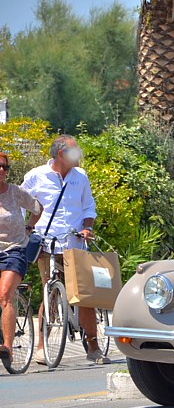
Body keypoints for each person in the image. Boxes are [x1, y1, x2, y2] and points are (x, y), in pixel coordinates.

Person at [22, 135, 109, 364]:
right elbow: (22, 204)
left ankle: (93, 347)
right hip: (47, 243)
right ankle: (42, 347)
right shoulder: (36, 176)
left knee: (84, 296)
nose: (78, 154)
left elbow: (89, 207)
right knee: (49, 293)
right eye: (74, 151)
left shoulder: (80, 176)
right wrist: (25, 230)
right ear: (60, 154)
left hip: (75, 243)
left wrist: (87, 228)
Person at [0, 152, 43, 360]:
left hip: (14, 249)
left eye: (5, 167)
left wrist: (28, 227)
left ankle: (7, 347)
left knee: (5, 294)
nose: (1, 170)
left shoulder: (16, 192)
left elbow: (37, 208)